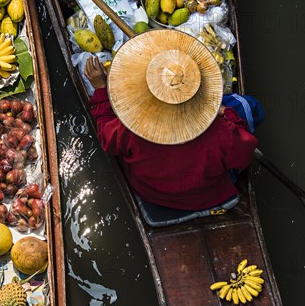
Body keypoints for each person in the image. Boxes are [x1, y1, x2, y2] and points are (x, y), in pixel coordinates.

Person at [83, 30, 264, 227]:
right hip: (207, 194)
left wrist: (101, 90)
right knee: (247, 106)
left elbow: (106, 137)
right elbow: (244, 155)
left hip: (152, 193)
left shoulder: (132, 128)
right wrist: (226, 114)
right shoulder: (222, 133)